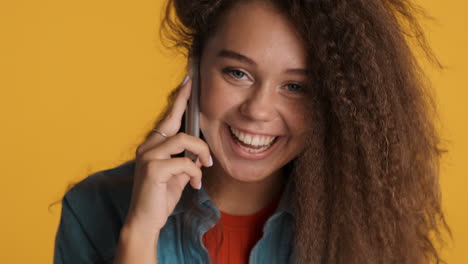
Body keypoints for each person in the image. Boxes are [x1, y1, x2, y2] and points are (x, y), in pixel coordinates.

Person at [54, 0, 450, 263]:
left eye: (296, 87)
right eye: (237, 73)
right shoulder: (94, 209)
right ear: (194, 68)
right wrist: (139, 236)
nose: (258, 110)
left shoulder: (362, 224)